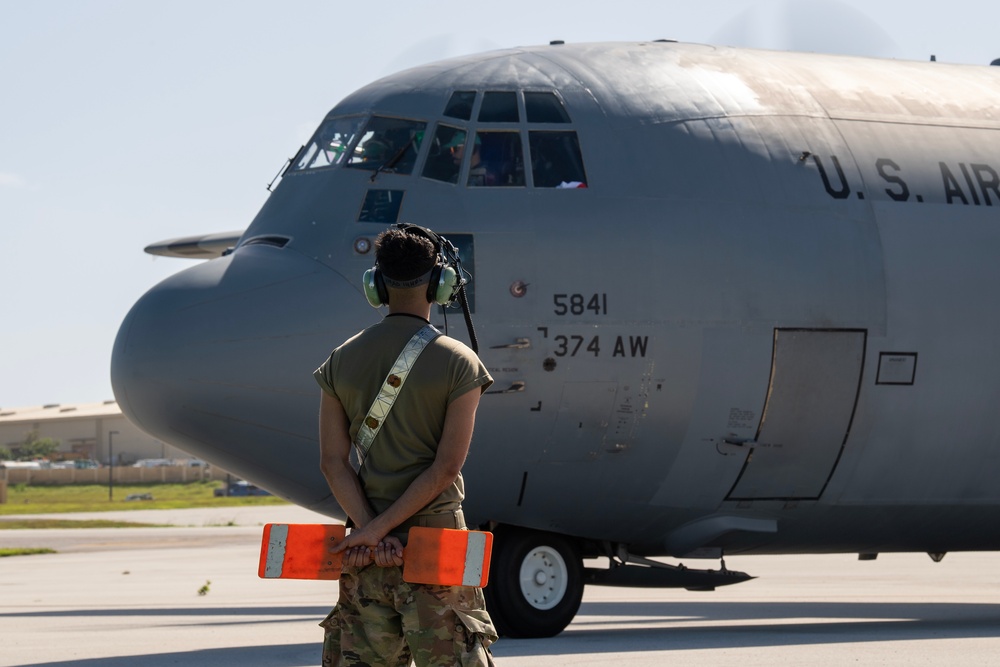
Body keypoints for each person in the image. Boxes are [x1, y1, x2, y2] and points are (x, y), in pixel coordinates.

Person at [314, 224, 498, 666]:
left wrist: (371, 532)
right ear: (440, 284)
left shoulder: (341, 359)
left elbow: (333, 463)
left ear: (376, 284)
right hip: (436, 548)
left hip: (363, 554)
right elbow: (444, 469)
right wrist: (383, 534)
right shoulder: (459, 362)